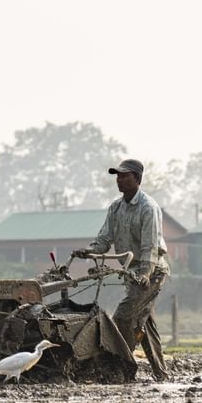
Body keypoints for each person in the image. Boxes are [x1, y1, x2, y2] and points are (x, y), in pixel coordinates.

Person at [73, 158, 171, 381]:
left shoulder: (149, 208)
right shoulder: (116, 207)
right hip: (131, 273)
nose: (118, 180)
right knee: (145, 322)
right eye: (117, 176)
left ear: (136, 179)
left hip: (152, 273)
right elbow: (104, 239)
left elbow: (150, 246)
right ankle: (161, 375)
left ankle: (122, 368)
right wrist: (88, 251)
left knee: (123, 317)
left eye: (124, 176)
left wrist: (145, 274)